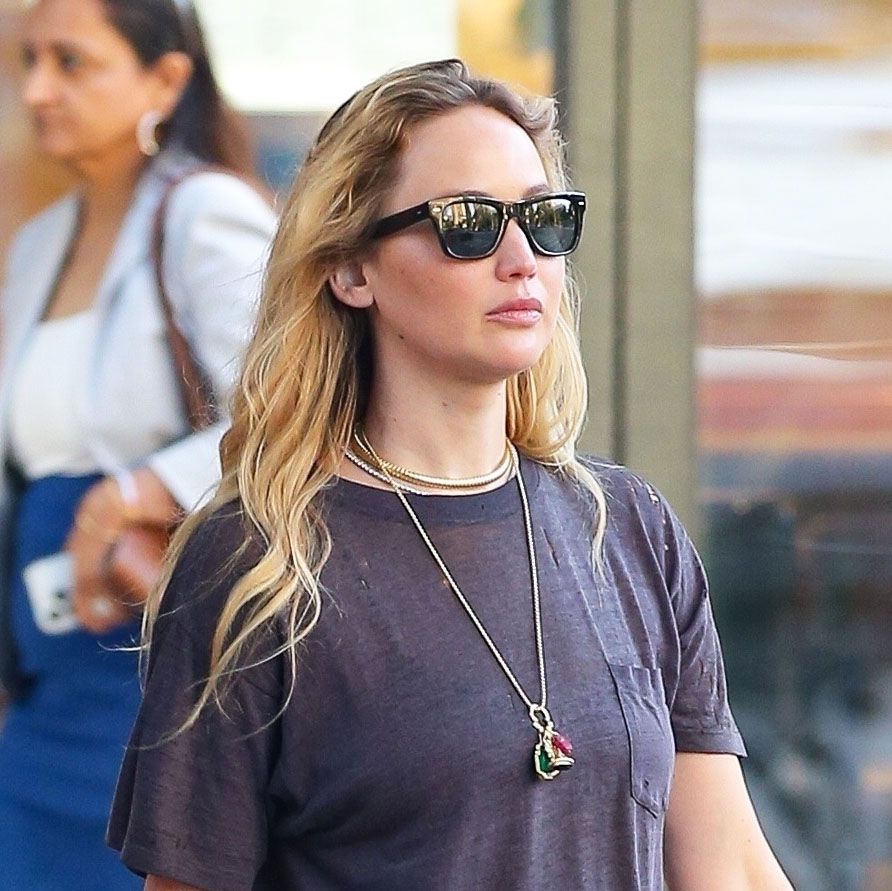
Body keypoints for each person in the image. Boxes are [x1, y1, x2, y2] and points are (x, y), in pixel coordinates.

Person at [108, 59, 793, 891]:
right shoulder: (258, 562)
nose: (521, 257)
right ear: (352, 270)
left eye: (543, 218)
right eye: (469, 223)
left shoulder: (628, 528)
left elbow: (729, 868)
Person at [0, 0, 275, 887]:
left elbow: (291, 414)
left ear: (164, 78)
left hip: (161, 669)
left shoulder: (205, 212)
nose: (38, 90)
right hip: (47, 676)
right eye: (30, 61)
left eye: (72, 62)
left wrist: (139, 489)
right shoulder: (39, 244)